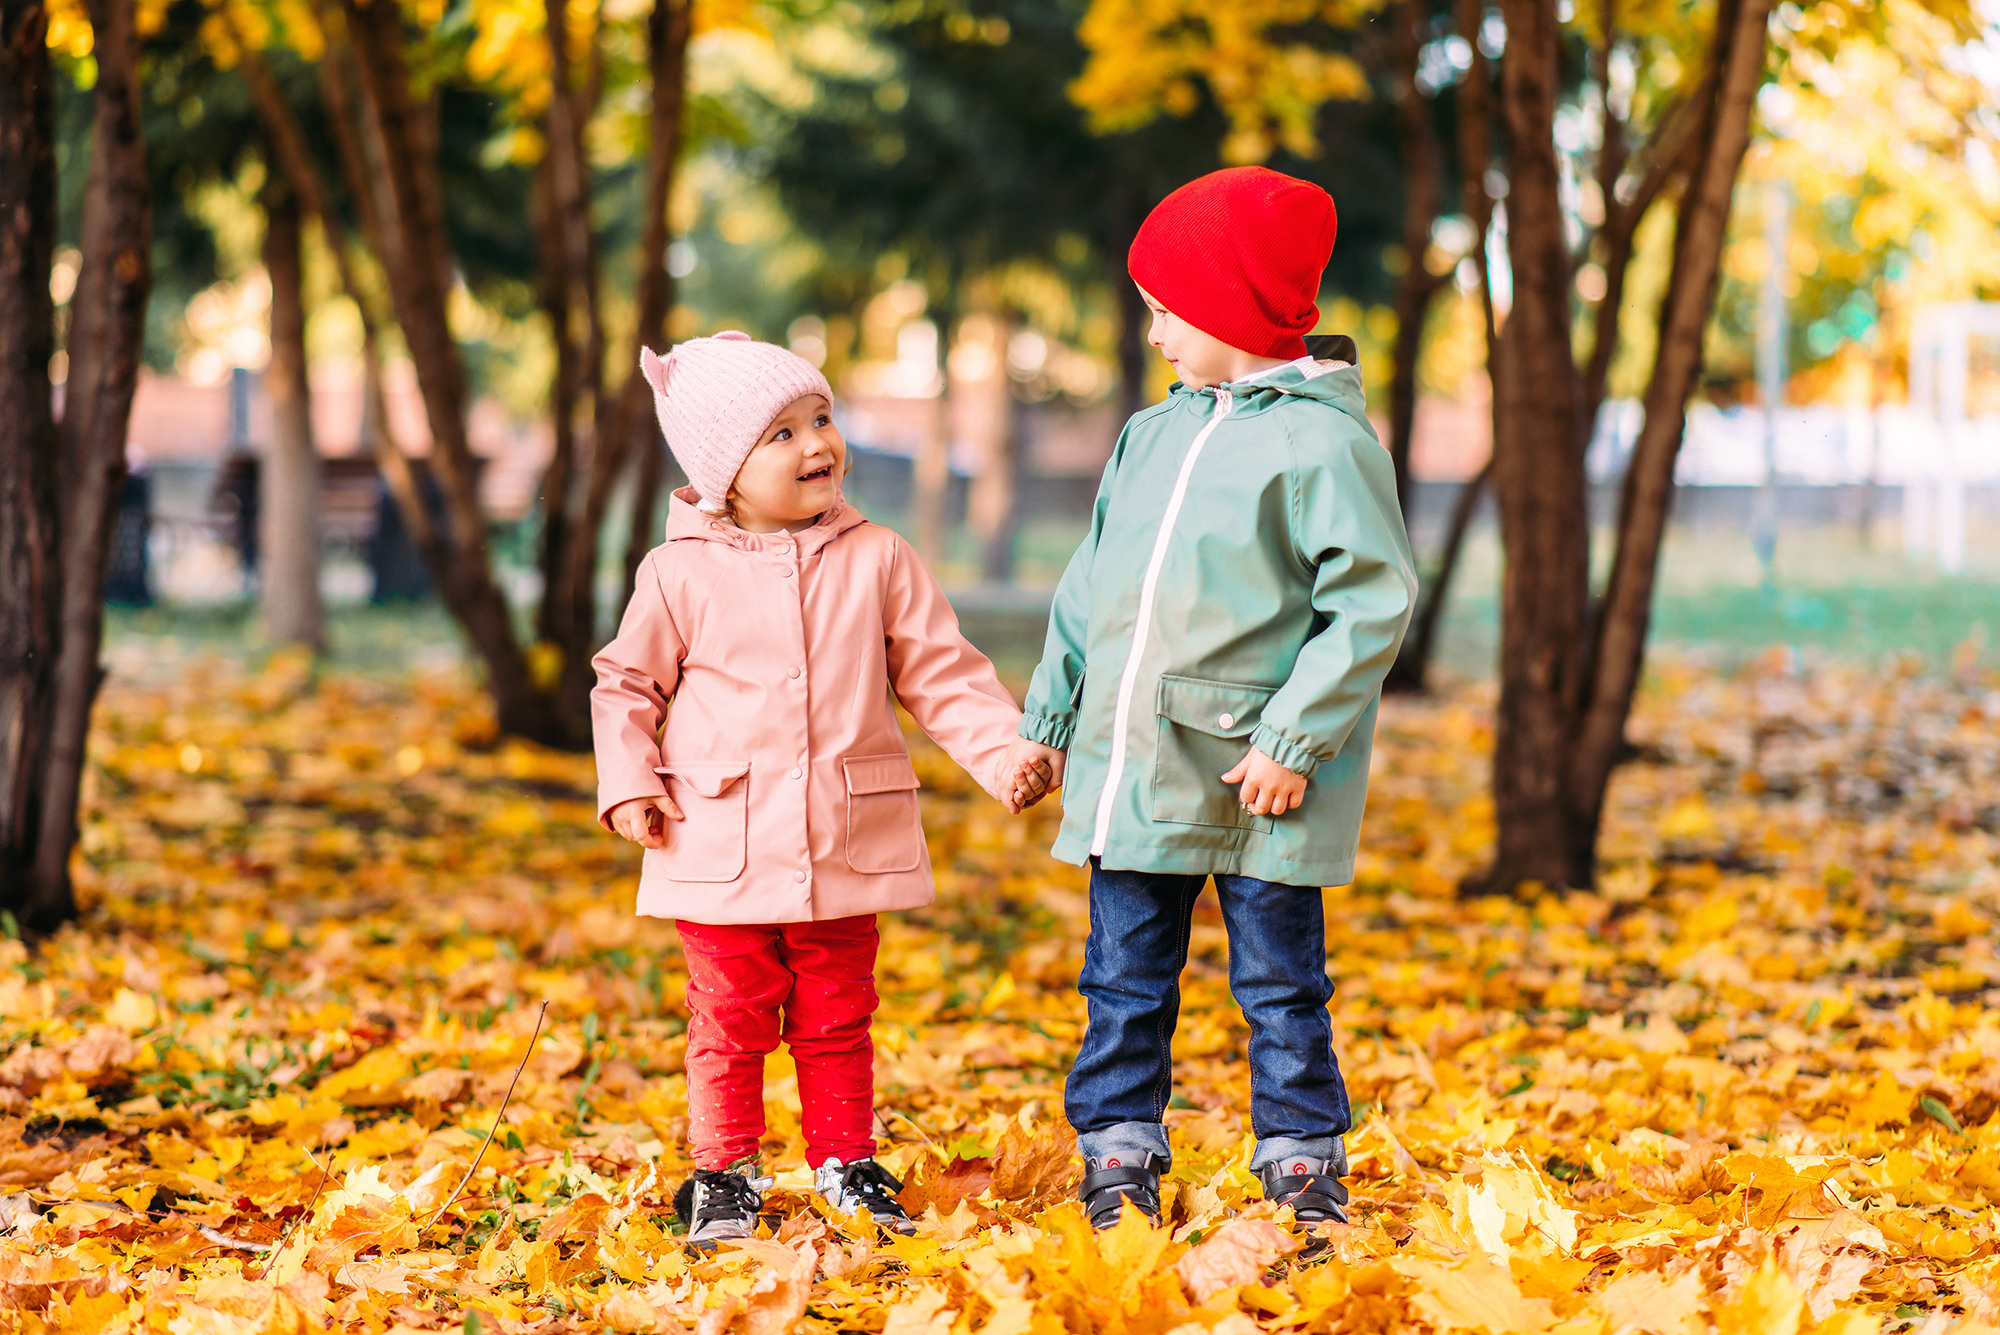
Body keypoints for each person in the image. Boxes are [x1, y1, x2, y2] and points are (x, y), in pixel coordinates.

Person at [1002, 167, 1418, 1233]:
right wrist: (1048, 721)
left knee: (1280, 984)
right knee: (1121, 978)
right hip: (1134, 770)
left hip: (1258, 777)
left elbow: (1369, 603)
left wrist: (1294, 739)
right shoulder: (1151, 435)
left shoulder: (1319, 443)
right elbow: (1089, 587)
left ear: (1229, 306)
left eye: (1164, 309)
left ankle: (1298, 1155)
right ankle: (1117, 1148)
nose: (1153, 334)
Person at [593, 332, 1051, 1245]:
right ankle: (723, 1172)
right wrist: (629, 780)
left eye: (822, 419)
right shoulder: (676, 572)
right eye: (782, 434)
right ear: (724, 470)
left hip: (843, 836)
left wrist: (1004, 752)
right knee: (728, 1016)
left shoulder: (878, 557)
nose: (817, 445)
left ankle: (844, 1158)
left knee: (839, 1013)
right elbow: (628, 685)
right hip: (719, 837)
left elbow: (942, 673)